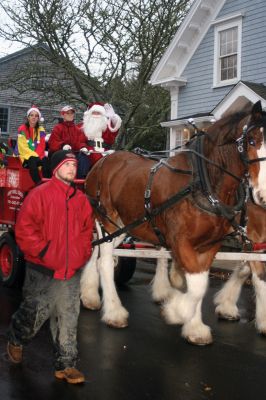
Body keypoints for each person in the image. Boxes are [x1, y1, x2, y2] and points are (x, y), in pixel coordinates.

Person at [6, 150, 94, 384]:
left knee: (68, 316)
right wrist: (45, 252)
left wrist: (82, 254)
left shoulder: (81, 200)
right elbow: (24, 230)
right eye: (67, 164)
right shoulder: (38, 195)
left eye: (74, 164)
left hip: (71, 270)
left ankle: (66, 365)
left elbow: (87, 231)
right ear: (56, 169)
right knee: (34, 315)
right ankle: (16, 338)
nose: (72, 168)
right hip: (42, 270)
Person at [48, 105, 90, 178]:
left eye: (71, 113)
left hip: (73, 153)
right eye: (68, 113)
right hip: (60, 154)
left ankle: (81, 179)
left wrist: (82, 147)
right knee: (68, 156)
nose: (70, 115)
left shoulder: (77, 129)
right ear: (63, 115)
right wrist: (62, 146)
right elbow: (53, 143)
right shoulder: (58, 128)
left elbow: (79, 142)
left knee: (83, 156)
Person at [16, 105, 51, 184]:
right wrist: (33, 155)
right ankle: (38, 184)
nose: (34, 117)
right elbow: (22, 147)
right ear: (28, 117)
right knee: (32, 160)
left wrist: (37, 156)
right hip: (26, 156)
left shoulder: (41, 130)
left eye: (36, 116)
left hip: (39, 155)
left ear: (38, 118)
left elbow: (42, 145)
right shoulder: (22, 129)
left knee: (46, 161)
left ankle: (48, 184)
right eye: (31, 115)